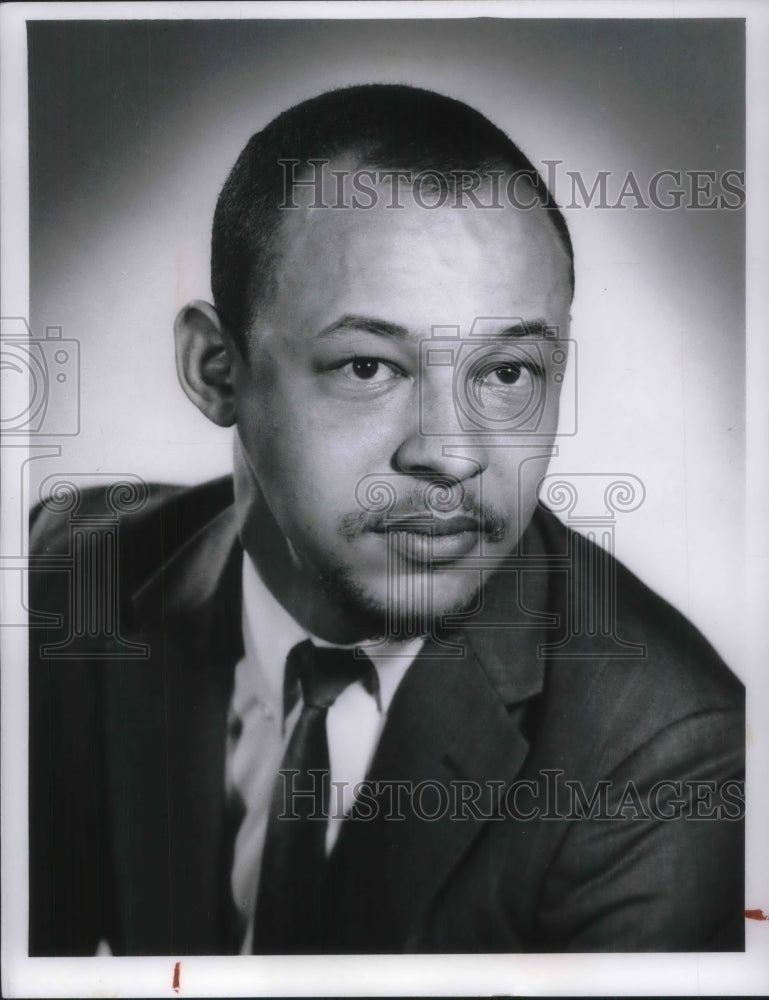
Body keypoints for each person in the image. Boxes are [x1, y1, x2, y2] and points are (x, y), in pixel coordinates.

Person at [28, 84, 744, 956]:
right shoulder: (68, 578)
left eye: (508, 373)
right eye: (368, 366)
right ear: (216, 370)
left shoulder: (662, 752)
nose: (451, 454)